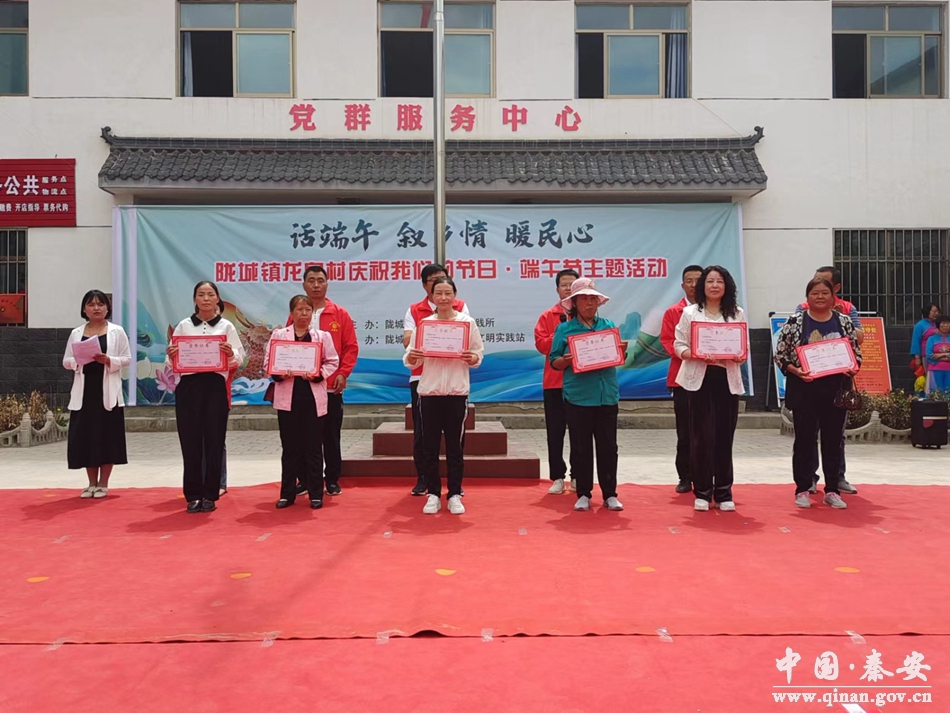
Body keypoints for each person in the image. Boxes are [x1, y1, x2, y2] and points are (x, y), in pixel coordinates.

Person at [775, 278, 862, 510]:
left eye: (825, 293)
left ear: (833, 297)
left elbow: (855, 353)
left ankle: (832, 490)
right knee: (804, 440)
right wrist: (796, 370)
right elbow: (780, 355)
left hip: (835, 389)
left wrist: (852, 367)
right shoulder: (795, 321)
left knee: (833, 441)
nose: (820, 297)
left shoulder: (843, 321)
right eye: (815, 293)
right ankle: (803, 488)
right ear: (807, 297)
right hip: (804, 388)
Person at [403, 276, 483, 515]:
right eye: (438, 293)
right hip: (430, 392)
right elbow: (410, 358)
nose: (444, 298)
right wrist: (413, 357)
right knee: (429, 446)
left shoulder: (467, 323)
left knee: (455, 447)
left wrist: (473, 357)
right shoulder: (425, 324)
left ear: (455, 296)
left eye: (448, 293)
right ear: (432, 296)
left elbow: (478, 353)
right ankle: (433, 494)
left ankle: (455, 493)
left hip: (457, 393)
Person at [166, 281, 245, 514]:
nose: (206, 299)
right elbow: (170, 362)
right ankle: (192, 495)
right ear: (195, 299)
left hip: (215, 386)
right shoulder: (183, 326)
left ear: (217, 298)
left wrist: (230, 353)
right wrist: (171, 355)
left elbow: (239, 358)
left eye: (211, 294)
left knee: (214, 440)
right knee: (190, 441)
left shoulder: (226, 326)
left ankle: (210, 494)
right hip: (189, 387)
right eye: (201, 295)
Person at [549, 278, 627, 512]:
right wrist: (566, 360)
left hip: (606, 395)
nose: (589, 303)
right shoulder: (565, 329)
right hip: (578, 397)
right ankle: (583, 493)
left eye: (593, 299)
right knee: (581, 447)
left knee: (608, 447)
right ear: (574, 303)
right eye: (583, 299)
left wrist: (621, 351)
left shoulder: (608, 325)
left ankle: (610, 494)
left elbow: (618, 356)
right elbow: (554, 361)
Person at [673, 265, 746, 512]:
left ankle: (724, 492)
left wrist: (739, 355)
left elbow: (743, 349)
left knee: (724, 437)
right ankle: (702, 491)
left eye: (720, 281)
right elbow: (679, 345)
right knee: (700, 437)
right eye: (710, 281)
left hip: (726, 379)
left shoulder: (737, 313)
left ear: (727, 286)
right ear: (702, 286)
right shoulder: (690, 313)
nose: (715, 286)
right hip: (699, 380)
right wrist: (693, 353)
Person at [291, 265, 359, 497]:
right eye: (311, 280)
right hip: (302, 387)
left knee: (330, 435)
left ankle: (331, 479)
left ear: (327, 284)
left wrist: (343, 373)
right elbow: (288, 346)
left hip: (330, 387)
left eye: (320, 280)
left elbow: (351, 347)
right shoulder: (296, 313)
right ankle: (306, 479)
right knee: (302, 436)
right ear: (304, 285)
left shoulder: (339, 314)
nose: (316, 285)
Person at [267, 295, 340, 509]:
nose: (304, 314)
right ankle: (287, 493)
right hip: (287, 399)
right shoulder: (279, 335)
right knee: (289, 448)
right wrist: (280, 373)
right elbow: (268, 363)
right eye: (299, 310)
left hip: (312, 398)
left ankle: (316, 493)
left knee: (314, 447)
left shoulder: (322, 336)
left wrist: (318, 374)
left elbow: (332, 361)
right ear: (291, 313)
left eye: (308, 310)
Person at [795, 266, 862, 495]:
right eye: (815, 284)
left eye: (825, 285)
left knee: (835, 435)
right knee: (807, 434)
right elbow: (789, 348)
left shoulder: (847, 311)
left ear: (836, 289)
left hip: (836, 384)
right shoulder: (801, 311)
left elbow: (859, 339)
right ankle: (809, 479)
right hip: (809, 384)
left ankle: (836, 480)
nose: (820, 292)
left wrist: (842, 319)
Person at [63, 290, 132, 498]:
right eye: (91, 304)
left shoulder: (117, 331)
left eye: (101, 304)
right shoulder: (76, 333)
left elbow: (127, 358)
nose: (96, 308)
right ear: (84, 309)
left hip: (108, 391)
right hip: (85, 393)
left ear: (107, 308)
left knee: (107, 437)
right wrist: (78, 361)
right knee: (86, 437)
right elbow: (66, 360)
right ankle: (91, 483)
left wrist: (109, 360)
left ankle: (103, 483)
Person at [660, 264, 704, 495]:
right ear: (682, 285)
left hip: (710, 376)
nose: (694, 285)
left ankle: (707, 475)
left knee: (708, 430)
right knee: (685, 431)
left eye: (698, 280)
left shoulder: (716, 310)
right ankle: (685, 476)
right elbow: (668, 342)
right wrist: (690, 353)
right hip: (683, 378)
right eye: (689, 280)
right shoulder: (673, 312)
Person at [534, 268, 578, 494]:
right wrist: (562, 334)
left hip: (581, 384)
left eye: (573, 285)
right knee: (555, 432)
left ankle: (578, 475)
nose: (568, 289)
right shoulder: (548, 316)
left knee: (580, 432)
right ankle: (557, 477)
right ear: (557, 289)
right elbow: (542, 345)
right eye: (564, 285)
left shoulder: (587, 316)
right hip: (554, 382)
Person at [912, 303, 941, 373]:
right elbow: (916, 342)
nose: (936, 313)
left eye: (938, 311)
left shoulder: (938, 323)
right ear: (927, 312)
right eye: (934, 311)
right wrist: (917, 358)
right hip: (926, 355)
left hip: (940, 355)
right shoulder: (920, 325)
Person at [925, 315, 950, 394]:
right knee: (935, 393)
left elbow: (935, 356)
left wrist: (940, 355)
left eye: (947, 323)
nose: (945, 326)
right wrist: (946, 357)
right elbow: (929, 355)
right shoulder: (931, 339)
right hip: (935, 369)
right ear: (938, 325)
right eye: (943, 323)